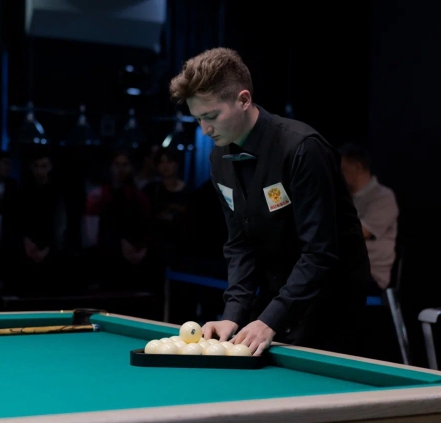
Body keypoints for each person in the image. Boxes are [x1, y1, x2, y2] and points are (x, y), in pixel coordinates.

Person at [169, 47, 371, 356]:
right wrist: (233, 313)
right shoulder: (219, 159)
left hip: (331, 306)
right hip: (276, 302)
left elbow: (320, 252)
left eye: (211, 116)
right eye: (197, 119)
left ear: (244, 100)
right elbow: (240, 244)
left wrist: (270, 319)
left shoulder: (302, 149)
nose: (205, 130)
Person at [339, 143, 399, 294]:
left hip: (370, 274)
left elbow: (360, 233)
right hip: (343, 268)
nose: (337, 172)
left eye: (341, 168)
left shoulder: (383, 197)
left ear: (358, 167)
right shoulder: (342, 197)